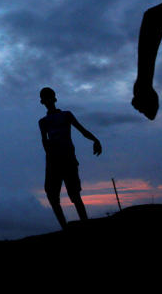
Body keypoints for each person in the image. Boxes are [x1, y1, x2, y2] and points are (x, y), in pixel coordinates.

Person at [38, 87, 101, 228]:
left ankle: (84, 224)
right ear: (42, 102)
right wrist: (50, 160)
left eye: (49, 97)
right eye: (45, 98)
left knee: (74, 195)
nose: (48, 100)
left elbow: (82, 130)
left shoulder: (66, 115)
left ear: (54, 99)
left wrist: (95, 140)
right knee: (52, 195)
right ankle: (64, 228)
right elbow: (45, 142)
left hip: (68, 160)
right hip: (54, 163)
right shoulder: (43, 122)